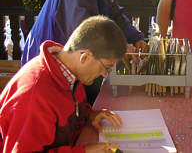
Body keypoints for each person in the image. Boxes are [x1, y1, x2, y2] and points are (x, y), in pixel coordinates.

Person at [0, 15, 126, 152]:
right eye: (106, 67)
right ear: (85, 57)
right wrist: (84, 151)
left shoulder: (70, 74)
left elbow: (69, 110)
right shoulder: (35, 95)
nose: (104, 74)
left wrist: (89, 115)